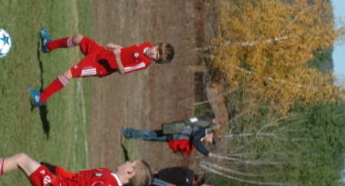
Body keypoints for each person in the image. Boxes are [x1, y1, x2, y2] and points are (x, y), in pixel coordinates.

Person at [29, 27, 174, 107]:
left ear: (157, 60)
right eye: (157, 50)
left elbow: (123, 71)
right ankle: (48, 45)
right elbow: (128, 52)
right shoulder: (146, 45)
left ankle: (41, 98)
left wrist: (117, 57)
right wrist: (117, 47)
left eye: (157, 56)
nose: (153, 53)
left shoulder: (144, 63)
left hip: (101, 66)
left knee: (69, 74)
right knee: (78, 38)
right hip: (102, 53)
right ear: (157, 45)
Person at [0, 153, 153, 186]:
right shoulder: (106, 174)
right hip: (59, 183)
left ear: (131, 172)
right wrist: (56, 169)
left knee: (21, 159)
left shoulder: (107, 184)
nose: (127, 161)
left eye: (131, 162)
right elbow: (76, 178)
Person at [122, 121, 218, 157]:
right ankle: (128, 132)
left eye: (212, 142)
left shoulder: (201, 134)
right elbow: (195, 141)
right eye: (212, 140)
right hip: (172, 134)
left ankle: (129, 134)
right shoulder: (201, 131)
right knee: (150, 135)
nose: (210, 142)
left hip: (173, 136)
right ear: (211, 134)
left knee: (150, 136)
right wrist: (206, 152)